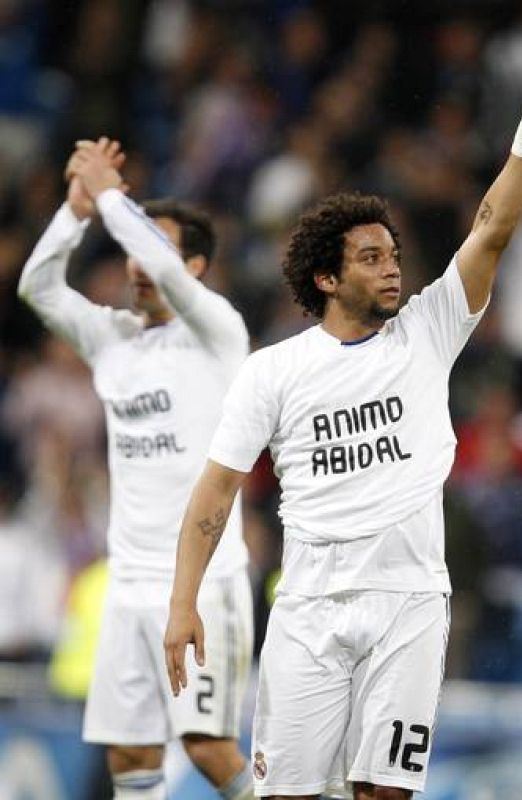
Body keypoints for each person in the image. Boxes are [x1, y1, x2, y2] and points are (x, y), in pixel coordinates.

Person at [164, 32, 522, 799]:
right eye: (369, 257)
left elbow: (491, 225)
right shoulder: (274, 371)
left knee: (382, 795)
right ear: (325, 276)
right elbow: (214, 494)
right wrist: (181, 604)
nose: (391, 265)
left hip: (409, 604)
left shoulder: (429, 329)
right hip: (306, 608)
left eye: (392, 254)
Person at [18, 138, 254, 800]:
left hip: (205, 581)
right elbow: (36, 286)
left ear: (198, 267)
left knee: (207, 747)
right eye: (132, 251)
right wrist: (75, 210)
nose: (139, 265)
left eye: (158, 250)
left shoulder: (218, 333)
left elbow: (164, 269)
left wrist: (111, 192)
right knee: (129, 753)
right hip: (127, 583)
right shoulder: (112, 340)